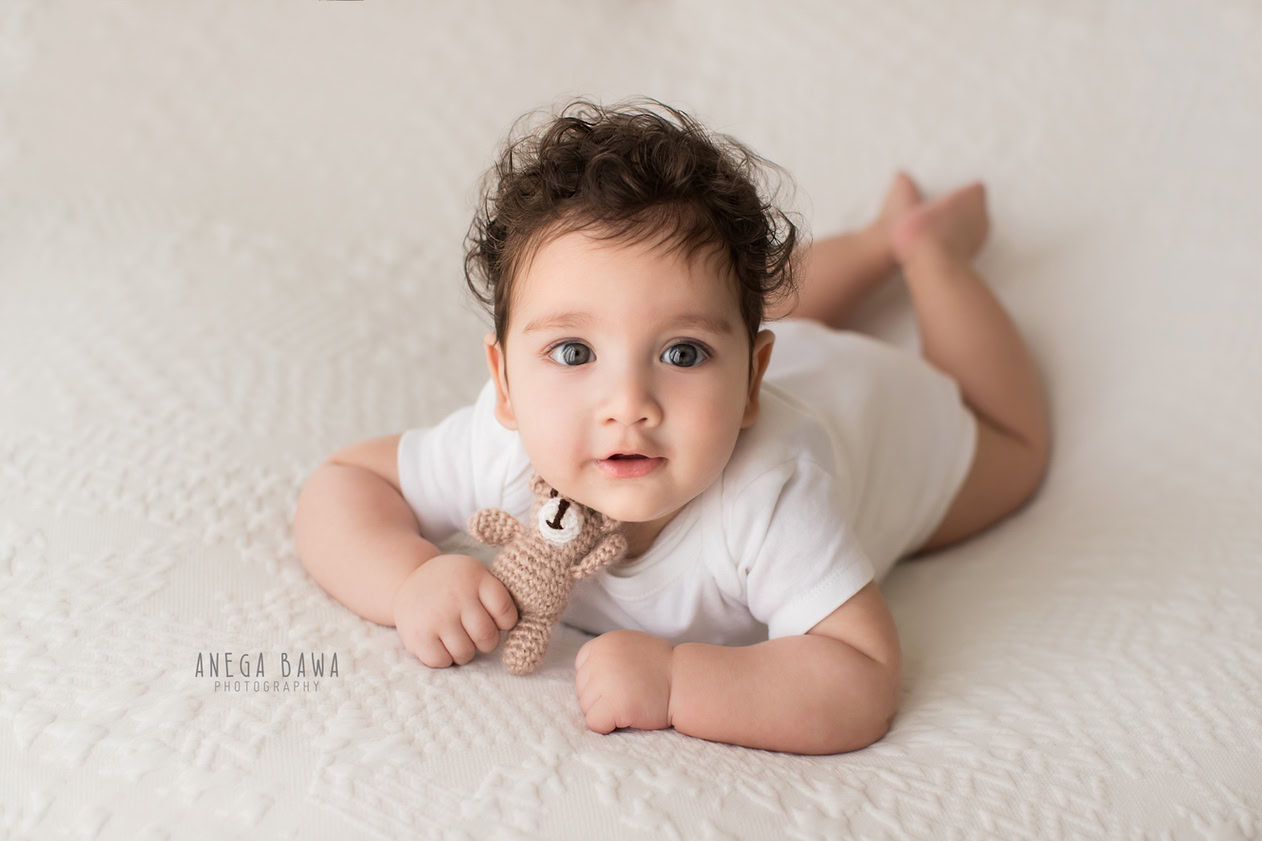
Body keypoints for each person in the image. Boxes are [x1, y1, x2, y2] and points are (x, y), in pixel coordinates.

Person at [293, 96, 1051, 756]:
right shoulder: (504, 447)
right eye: (574, 351)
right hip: (780, 357)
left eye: (679, 353)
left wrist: (677, 681)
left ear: (752, 383)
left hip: (884, 416)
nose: (628, 402)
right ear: (506, 385)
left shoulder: (772, 491)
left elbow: (860, 670)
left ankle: (926, 252)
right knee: (749, 303)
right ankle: (872, 241)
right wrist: (409, 580)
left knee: (1015, 445)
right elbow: (345, 483)